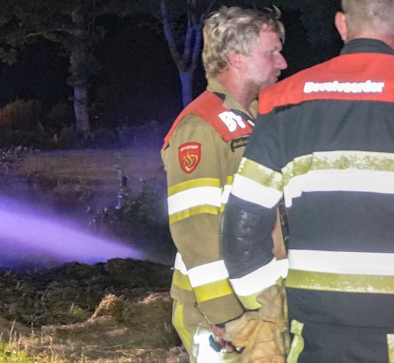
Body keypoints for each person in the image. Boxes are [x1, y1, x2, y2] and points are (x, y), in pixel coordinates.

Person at [221, 0, 394, 361]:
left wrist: (270, 306)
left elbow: (240, 224)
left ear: (341, 24)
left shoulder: (281, 99)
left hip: (313, 330)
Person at [160, 6, 287, 362]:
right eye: (272, 52)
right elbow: (195, 230)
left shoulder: (260, 117)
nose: (282, 63)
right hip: (223, 312)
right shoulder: (201, 126)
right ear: (237, 58)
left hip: (261, 301)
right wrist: (227, 317)